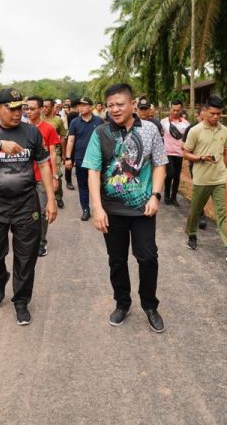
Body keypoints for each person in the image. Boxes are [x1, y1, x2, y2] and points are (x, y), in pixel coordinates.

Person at [0, 88, 57, 326]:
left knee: (26, 258)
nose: (17, 113)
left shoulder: (31, 132)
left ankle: (21, 302)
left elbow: (44, 165)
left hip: (27, 204)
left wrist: (51, 198)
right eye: (11, 108)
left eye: (20, 108)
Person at [83, 83, 168, 333]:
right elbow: (93, 171)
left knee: (148, 258)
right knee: (117, 260)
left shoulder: (151, 129)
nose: (115, 109)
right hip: (112, 211)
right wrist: (97, 208)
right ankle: (122, 302)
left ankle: (150, 305)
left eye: (120, 104)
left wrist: (156, 195)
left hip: (143, 209)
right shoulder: (100, 133)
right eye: (110, 105)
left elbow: (160, 163)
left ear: (133, 104)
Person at [182, 96, 227, 262]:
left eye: (219, 114)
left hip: (221, 178)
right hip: (202, 179)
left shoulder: (224, 130)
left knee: (223, 213)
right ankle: (192, 234)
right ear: (205, 111)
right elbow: (185, 153)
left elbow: (224, 153)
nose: (216, 117)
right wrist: (201, 158)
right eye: (213, 113)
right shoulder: (195, 131)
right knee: (195, 210)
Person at [26, 96, 60, 257]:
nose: (28, 111)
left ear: (41, 109)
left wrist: (55, 177)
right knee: (25, 211)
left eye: (32, 108)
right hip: (24, 177)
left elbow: (52, 154)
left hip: (42, 178)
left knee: (41, 210)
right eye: (26, 108)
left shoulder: (49, 128)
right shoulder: (20, 128)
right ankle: (27, 240)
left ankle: (41, 242)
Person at [65, 96, 103, 221]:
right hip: (80, 158)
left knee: (100, 184)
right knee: (83, 186)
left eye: (84, 105)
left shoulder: (99, 121)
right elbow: (70, 140)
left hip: (97, 159)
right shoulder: (74, 122)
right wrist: (68, 158)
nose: (81, 107)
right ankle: (85, 209)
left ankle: (101, 208)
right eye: (79, 105)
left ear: (91, 107)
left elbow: (105, 139)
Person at [160, 99, 190, 206]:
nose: (175, 112)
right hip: (167, 153)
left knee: (177, 176)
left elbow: (188, 138)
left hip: (179, 153)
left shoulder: (186, 124)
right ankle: (166, 196)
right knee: (170, 173)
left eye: (178, 110)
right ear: (170, 109)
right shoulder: (163, 122)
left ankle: (173, 198)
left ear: (181, 109)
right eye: (174, 110)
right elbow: (159, 136)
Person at [43, 98, 67, 209]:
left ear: (53, 108)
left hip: (56, 150)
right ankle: (47, 196)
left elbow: (62, 137)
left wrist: (63, 154)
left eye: (47, 106)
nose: (44, 109)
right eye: (43, 106)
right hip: (42, 151)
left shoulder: (58, 120)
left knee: (56, 174)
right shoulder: (39, 119)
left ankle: (58, 196)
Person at [63, 99, 80, 190]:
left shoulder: (70, 114)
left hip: (73, 137)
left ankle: (68, 181)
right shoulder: (74, 115)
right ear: (77, 106)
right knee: (70, 159)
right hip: (73, 138)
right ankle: (68, 181)